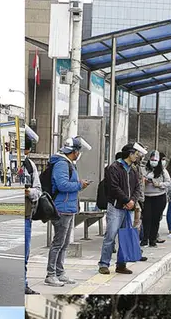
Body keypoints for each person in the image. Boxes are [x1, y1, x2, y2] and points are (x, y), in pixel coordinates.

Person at [46, 136, 92, 287]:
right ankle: (51, 274)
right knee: (58, 243)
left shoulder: (67, 163)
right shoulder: (61, 164)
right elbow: (62, 185)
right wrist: (80, 185)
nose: (79, 154)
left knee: (64, 243)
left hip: (68, 207)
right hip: (62, 208)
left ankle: (60, 272)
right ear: (74, 151)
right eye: (79, 151)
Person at [98, 142, 146, 275]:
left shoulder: (134, 169)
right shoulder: (113, 168)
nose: (137, 157)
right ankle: (104, 263)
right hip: (116, 206)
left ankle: (121, 264)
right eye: (136, 154)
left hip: (128, 207)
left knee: (125, 236)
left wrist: (132, 201)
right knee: (111, 236)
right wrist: (126, 200)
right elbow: (113, 188)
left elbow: (137, 187)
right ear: (129, 154)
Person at [22, 126, 41, 295]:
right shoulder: (6, 163)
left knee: (25, 253)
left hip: (26, 215)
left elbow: (38, 190)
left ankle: (24, 283)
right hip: (10, 213)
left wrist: (29, 192)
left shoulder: (30, 165)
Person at [141, 150, 170, 247]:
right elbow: (139, 180)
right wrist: (144, 181)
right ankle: (145, 239)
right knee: (146, 218)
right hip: (147, 196)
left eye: (155, 160)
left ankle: (153, 239)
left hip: (159, 196)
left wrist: (158, 184)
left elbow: (168, 183)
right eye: (152, 159)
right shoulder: (144, 169)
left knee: (155, 219)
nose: (153, 161)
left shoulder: (163, 171)